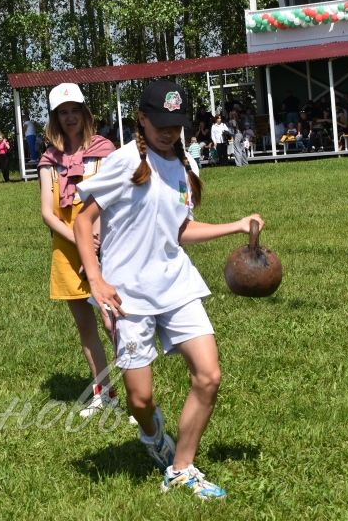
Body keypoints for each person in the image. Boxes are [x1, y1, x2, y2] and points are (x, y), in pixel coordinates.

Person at [73, 80, 264, 500]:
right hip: (129, 295)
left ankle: (182, 467)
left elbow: (180, 231)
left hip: (176, 284)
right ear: (141, 119)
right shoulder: (123, 162)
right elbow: (82, 222)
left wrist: (235, 225)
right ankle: (151, 430)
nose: (168, 132)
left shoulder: (185, 168)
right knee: (140, 399)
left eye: (175, 125)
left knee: (209, 375)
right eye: (160, 123)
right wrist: (97, 280)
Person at [36, 83, 117, 416]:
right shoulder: (48, 160)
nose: (69, 117)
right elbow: (47, 213)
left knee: (113, 324)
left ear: (85, 113)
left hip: (104, 246)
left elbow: (112, 199)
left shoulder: (105, 150)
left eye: (74, 110)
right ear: (55, 118)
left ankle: (140, 395)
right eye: (62, 112)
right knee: (86, 328)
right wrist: (79, 241)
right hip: (68, 249)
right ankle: (105, 393)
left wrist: (93, 245)